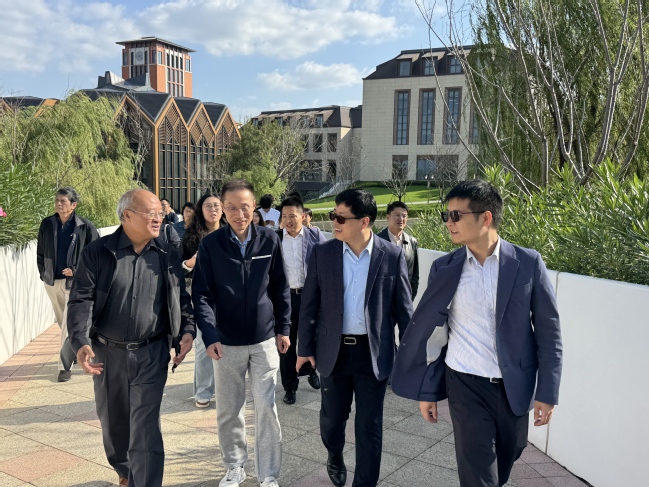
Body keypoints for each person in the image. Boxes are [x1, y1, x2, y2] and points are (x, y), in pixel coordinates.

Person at [391, 180, 563, 487]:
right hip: (464, 384)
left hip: (514, 386)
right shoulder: (445, 267)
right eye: (446, 215)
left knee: (508, 457)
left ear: (486, 217)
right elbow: (436, 335)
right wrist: (428, 391)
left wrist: (547, 392)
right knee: (478, 473)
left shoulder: (527, 263)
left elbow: (549, 334)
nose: (448, 222)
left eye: (456, 215)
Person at [66, 188, 195, 487]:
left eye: (160, 213)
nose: (159, 218)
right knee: (114, 424)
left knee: (146, 429)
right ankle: (125, 470)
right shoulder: (98, 252)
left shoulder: (167, 254)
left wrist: (187, 330)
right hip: (107, 355)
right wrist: (80, 342)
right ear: (127, 215)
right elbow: (81, 299)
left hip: (151, 353)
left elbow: (180, 297)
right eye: (151, 214)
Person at [296, 189, 413, 487]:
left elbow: (404, 311)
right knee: (333, 420)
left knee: (369, 426)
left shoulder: (392, 256)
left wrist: (410, 358)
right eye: (333, 215)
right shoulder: (323, 253)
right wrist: (304, 348)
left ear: (364, 222)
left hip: (372, 354)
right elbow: (309, 304)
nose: (333, 222)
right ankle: (334, 454)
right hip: (333, 352)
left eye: (340, 218)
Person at [191, 179, 291, 487]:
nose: (239, 214)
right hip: (226, 342)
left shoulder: (269, 240)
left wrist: (284, 328)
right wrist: (210, 335)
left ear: (254, 207)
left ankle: (268, 475)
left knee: (266, 408)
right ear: (223, 209)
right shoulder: (211, 245)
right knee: (229, 409)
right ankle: (234, 467)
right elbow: (202, 294)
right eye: (231, 208)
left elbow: (280, 287)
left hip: (264, 340)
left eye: (245, 207)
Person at [36, 186, 99, 382]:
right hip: (51, 281)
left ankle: (64, 367)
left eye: (63, 201)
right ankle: (76, 349)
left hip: (75, 284)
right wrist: (43, 272)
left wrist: (77, 269)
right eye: (57, 200)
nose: (58, 203)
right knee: (63, 321)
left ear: (74, 205)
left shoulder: (85, 226)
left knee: (68, 323)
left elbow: (97, 255)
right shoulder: (47, 224)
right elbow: (40, 251)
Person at [276, 196, 326, 405]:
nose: (288, 220)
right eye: (284, 216)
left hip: (310, 297)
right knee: (286, 343)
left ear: (303, 216)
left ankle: (311, 370)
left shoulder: (315, 236)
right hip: (285, 298)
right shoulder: (275, 238)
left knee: (311, 338)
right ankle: (290, 387)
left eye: (292, 216)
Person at [181, 192, 226, 408]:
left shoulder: (231, 233)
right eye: (208, 206)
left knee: (228, 342)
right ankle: (203, 390)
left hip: (229, 296)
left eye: (217, 205)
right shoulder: (191, 237)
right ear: (201, 210)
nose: (213, 209)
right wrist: (190, 262)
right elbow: (178, 268)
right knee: (203, 343)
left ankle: (224, 388)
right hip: (201, 296)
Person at [376, 201, 420, 298]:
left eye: (404, 216)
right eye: (397, 215)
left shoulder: (412, 241)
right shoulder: (377, 241)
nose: (401, 219)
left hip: (404, 296)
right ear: (388, 217)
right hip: (381, 297)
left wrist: (410, 297)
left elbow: (414, 274)